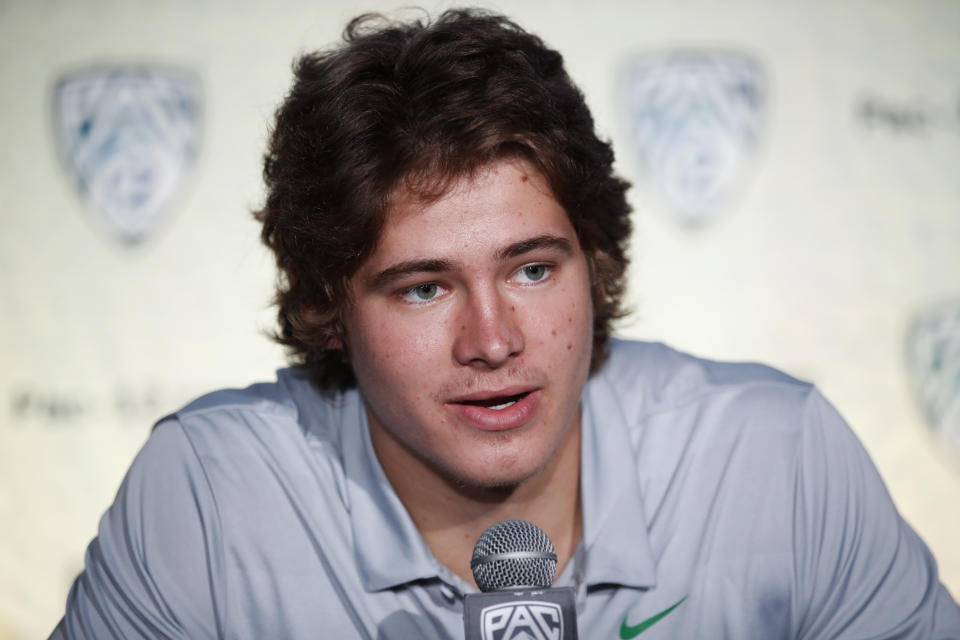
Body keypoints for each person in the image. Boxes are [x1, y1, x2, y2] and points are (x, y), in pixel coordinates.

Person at [52, 9, 960, 639]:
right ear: (326, 307)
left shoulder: (777, 458)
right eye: (423, 288)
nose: (494, 341)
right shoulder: (208, 496)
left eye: (532, 269)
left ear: (593, 263)